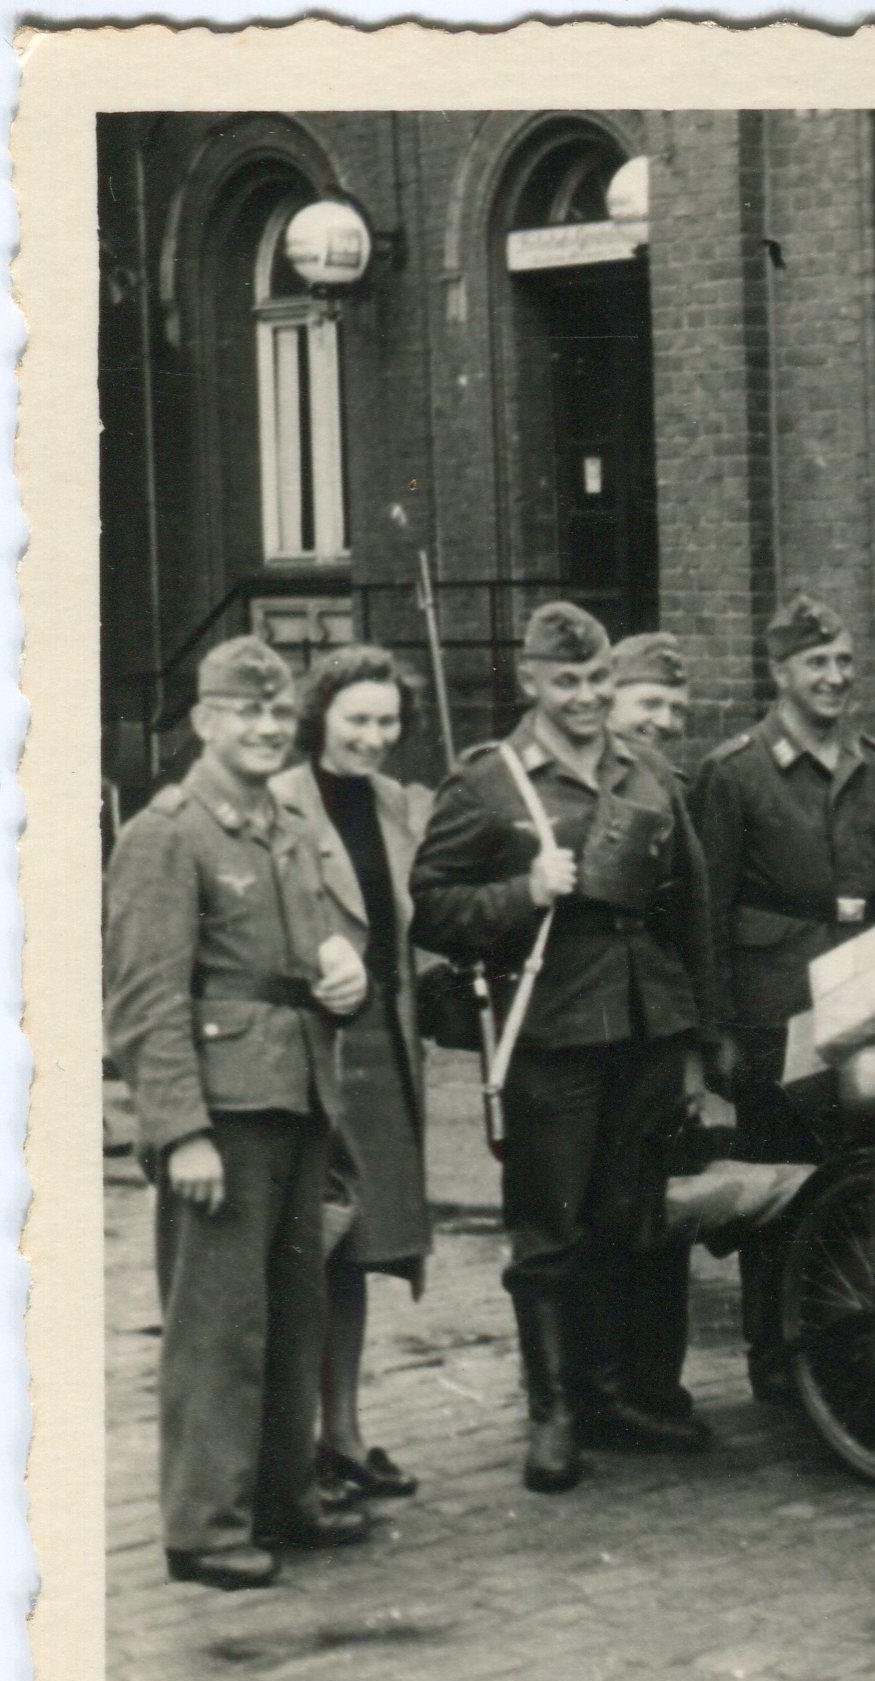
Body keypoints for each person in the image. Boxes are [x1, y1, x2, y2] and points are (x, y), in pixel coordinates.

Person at [410, 600, 725, 1493]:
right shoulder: (490, 782)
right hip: (549, 1032)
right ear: (531, 682)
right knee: (549, 1230)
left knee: (630, 1219)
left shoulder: (648, 770)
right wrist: (522, 892)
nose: (585, 698)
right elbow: (431, 904)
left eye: (596, 681)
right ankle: (552, 1413)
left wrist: (700, 1036)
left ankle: (613, 1394)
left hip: (647, 1027)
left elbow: (689, 908)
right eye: (566, 682)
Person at [105, 637, 373, 1588]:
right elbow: (143, 1000)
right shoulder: (167, 834)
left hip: (296, 1095)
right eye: (243, 712)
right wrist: (179, 1131)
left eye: (277, 713)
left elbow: (307, 956)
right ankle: (204, 1525)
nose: (266, 728)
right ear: (204, 722)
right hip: (224, 1112)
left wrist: (346, 977)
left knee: (292, 1314)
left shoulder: (284, 825)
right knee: (219, 1324)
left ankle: (281, 1496)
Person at [691, 592, 875, 1405]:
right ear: (780, 673)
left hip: (866, 999)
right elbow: (708, 911)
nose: (835, 678)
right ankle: (774, 1352)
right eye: (816, 665)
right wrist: (719, 1030)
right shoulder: (735, 773)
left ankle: (849, 1348)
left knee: (860, 1167)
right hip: (775, 1006)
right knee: (775, 1178)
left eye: (842, 662)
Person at [271, 645, 432, 1506]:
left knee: (360, 1248)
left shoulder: (402, 805)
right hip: (316, 1048)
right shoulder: (281, 802)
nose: (374, 737)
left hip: (384, 1048)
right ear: (321, 718)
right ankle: (294, 1449)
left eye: (387, 721)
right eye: (357, 720)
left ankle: (346, 1434)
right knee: (311, 1249)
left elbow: (420, 918)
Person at [604, 627, 699, 1425]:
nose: (663, 719)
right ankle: (589, 1389)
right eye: (648, 702)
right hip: (584, 1026)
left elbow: (695, 914)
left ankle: (653, 1382)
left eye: (675, 706)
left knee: (655, 1212)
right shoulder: (572, 781)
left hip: (658, 1024)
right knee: (589, 1215)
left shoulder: (674, 783)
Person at [606, 631, 692, 752]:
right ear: (608, 706)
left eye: (677, 709)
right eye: (651, 704)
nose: (665, 722)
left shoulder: (663, 771)